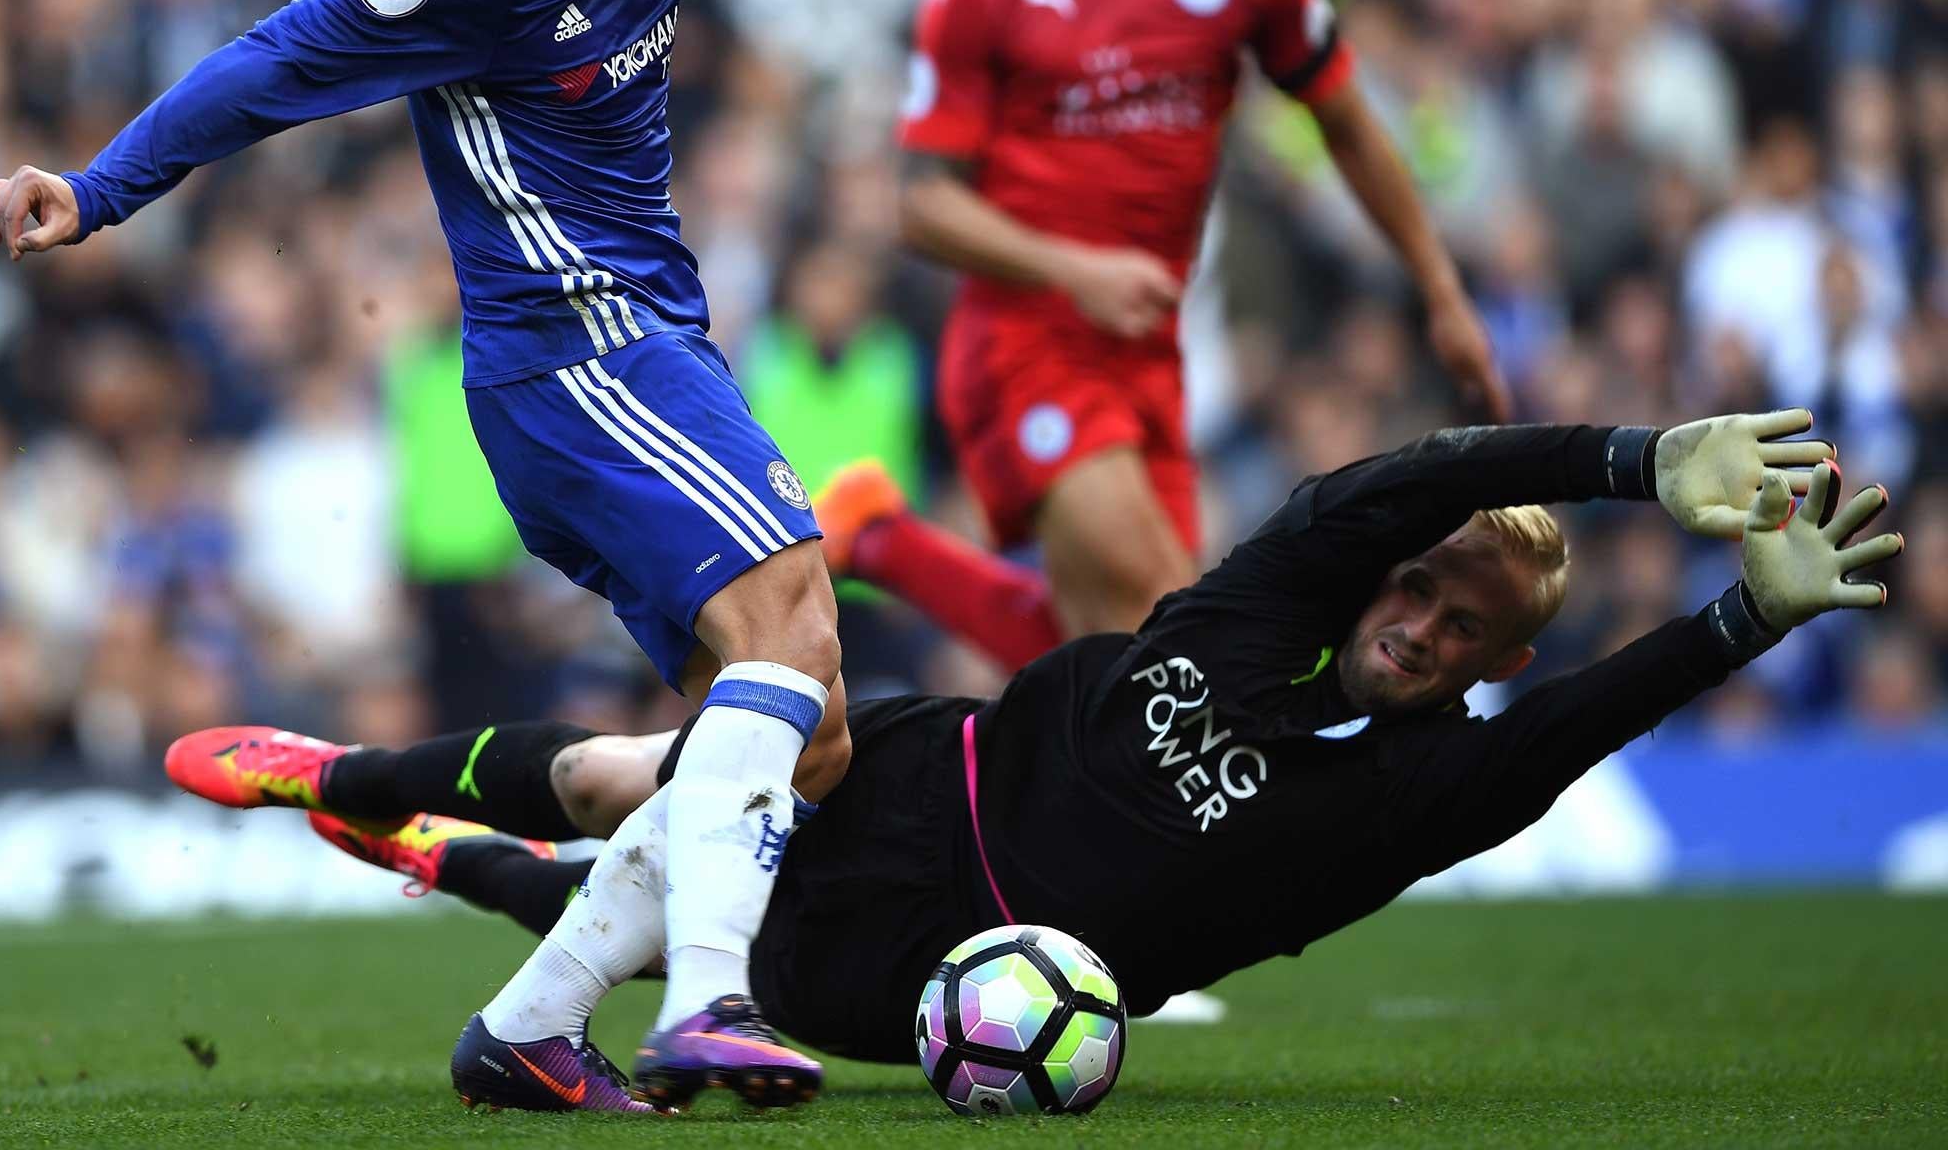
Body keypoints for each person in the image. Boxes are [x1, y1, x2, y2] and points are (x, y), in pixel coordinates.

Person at [0, 0, 1223, 1113]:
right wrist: (96, 187)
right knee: (792, 615)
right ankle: (707, 1002)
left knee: (798, 735)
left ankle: (528, 1022)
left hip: (652, 347)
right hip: (574, 353)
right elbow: (269, 63)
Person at [169, 410, 1900, 1104]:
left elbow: (1575, 733)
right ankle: (352, 774)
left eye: (1466, 629)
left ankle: (425, 862)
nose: (1426, 622)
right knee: (636, 777)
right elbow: (1365, 492)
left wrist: (1737, 623)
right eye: (1423, 584)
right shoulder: (1264, 612)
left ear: (1493, 662)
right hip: (923, 767)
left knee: (620, 898)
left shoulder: (1413, 792)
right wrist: (1623, 456)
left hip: (922, 967)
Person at [817, 0, 1507, 677]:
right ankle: (881, 538)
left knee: (1125, 667)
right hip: (1025, 344)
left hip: (1149, 355)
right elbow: (919, 208)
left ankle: (879, 537)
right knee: (1174, 643)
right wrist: (1073, 268)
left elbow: (1348, 125)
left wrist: (1441, 294)